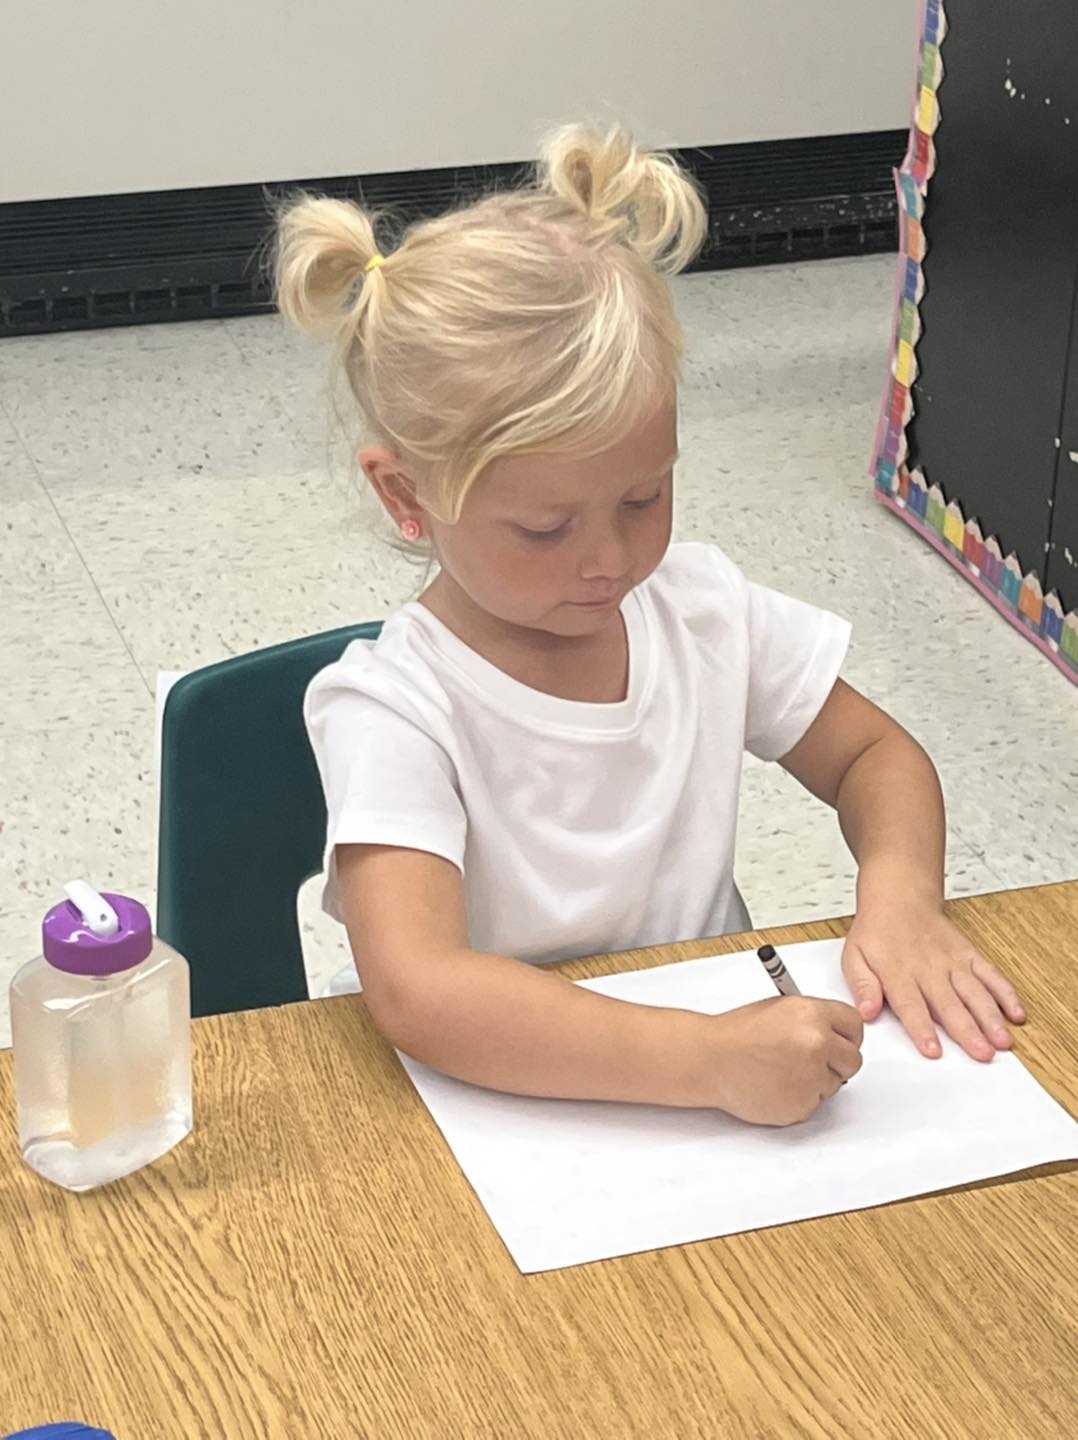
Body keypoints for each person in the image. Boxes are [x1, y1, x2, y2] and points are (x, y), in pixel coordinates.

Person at [275, 125, 1025, 1127]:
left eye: (644, 497)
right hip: (497, 1113)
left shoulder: (699, 608)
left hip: (724, 1062)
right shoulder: (394, 706)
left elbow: (873, 757)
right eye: (543, 527)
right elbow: (420, 990)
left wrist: (899, 898)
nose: (608, 560)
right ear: (407, 497)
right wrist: (700, 1062)